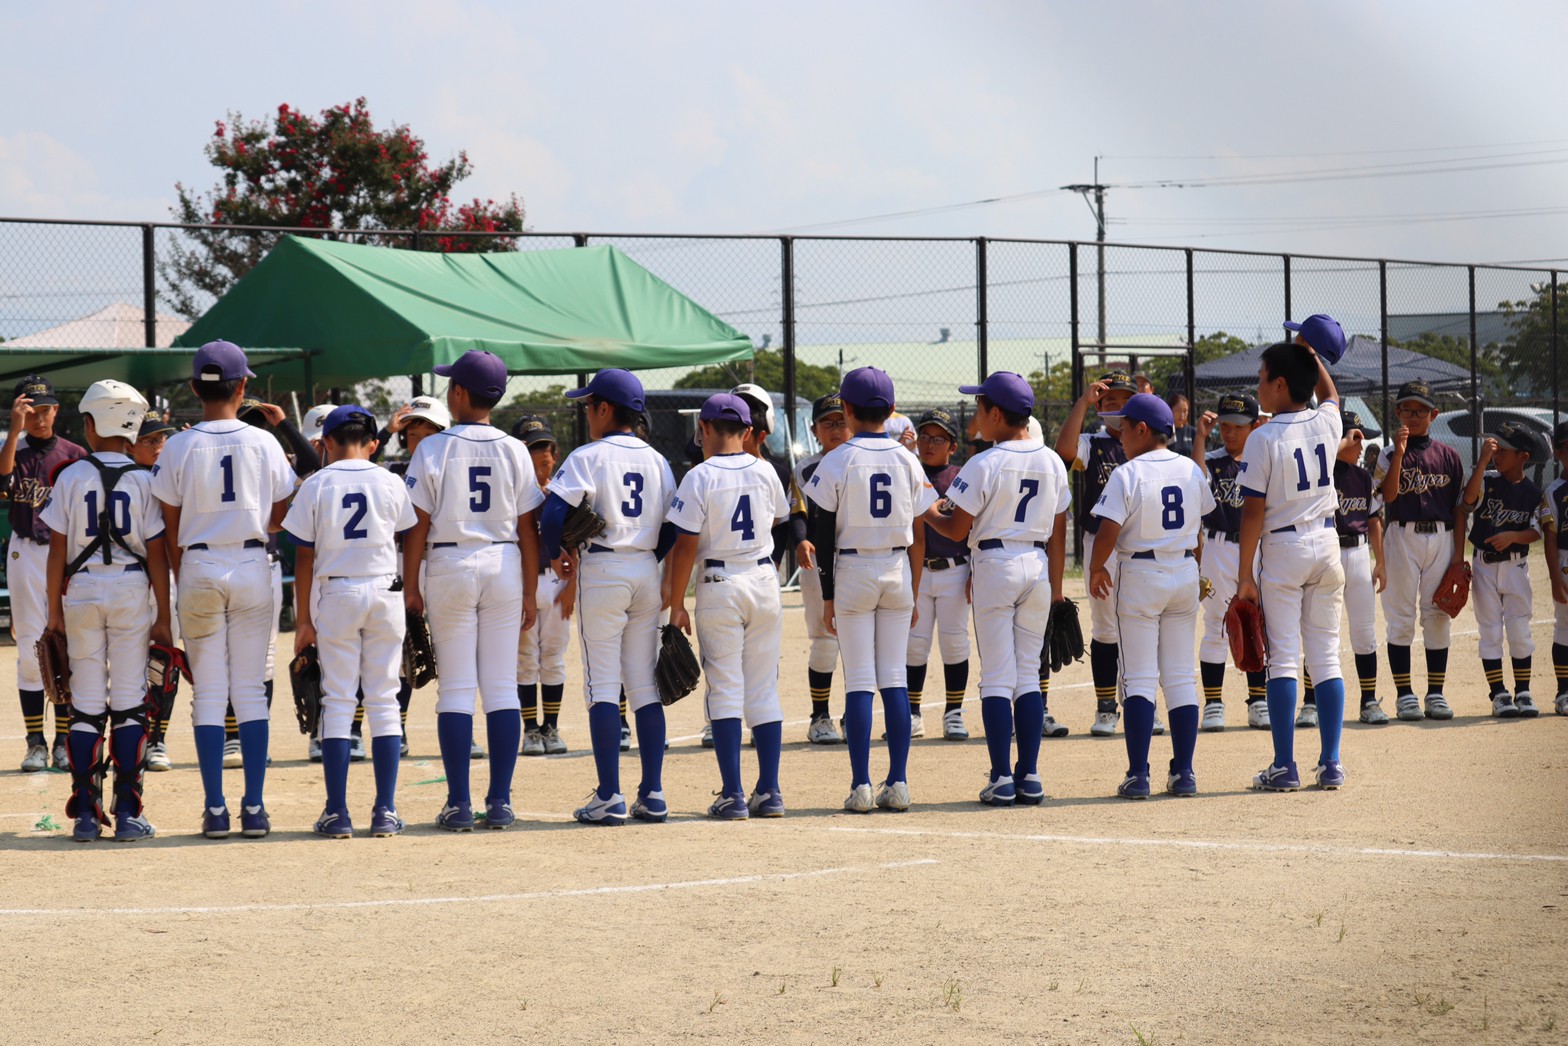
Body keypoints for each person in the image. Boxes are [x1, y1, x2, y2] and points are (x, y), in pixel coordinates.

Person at [151, 341, 296, 838]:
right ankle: (253, 807)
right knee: (251, 692)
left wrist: (181, 575)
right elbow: (282, 513)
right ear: (243, 387)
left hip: (198, 563)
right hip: (253, 558)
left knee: (209, 693)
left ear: (195, 388)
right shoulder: (263, 442)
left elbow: (168, 524)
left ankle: (214, 809)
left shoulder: (178, 444)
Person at [403, 350, 543, 831]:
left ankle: (460, 803)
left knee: (458, 688)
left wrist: (411, 585)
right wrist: (529, 590)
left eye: (450, 385)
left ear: (460, 393)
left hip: (450, 562)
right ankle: (500, 801)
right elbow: (529, 529)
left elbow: (416, 525)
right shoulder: (513, 448)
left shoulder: (434, 448)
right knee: (501, 685)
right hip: (503, 561)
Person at [921, 374, 1067, 805]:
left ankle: (1002, 776)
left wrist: (925, 509)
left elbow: (954, 527)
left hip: (996, 565)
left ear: (998, 414)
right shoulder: (1053, 461)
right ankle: (1031, 775)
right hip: (1037, 565)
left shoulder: (984, 463)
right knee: (1027, 675)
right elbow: (1059, 533)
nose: (977, 415)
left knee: (998, 678)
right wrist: (1056, 590)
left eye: (981, 407)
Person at [541, 369, 676, 826]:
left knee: (603, 683)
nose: (586, 412)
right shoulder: (659, 460)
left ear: (604, 408)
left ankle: (609, 796)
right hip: (645, 568)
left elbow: (553, 514)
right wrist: (648, 558)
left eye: (588, 404)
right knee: (643, 684)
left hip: (602, 568)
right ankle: (653, 793)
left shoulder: (587, 456)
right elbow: (674, 526)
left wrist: (554, 553)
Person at [42, 381, 172, 841]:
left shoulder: (71, 476)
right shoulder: (144, 479)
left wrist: (53, 610)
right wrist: (163, 615)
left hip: (81, 592)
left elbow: (57, 549)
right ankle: (129, 813)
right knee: (132, 701)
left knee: (86, 702)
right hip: (132, 591)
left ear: (94, 425)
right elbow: (157, 554)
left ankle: (84, 814)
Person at [803, 366, 935, 813]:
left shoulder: (838, 458)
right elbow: (922, 525)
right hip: (898, 568)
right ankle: (897, 782)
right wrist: (914, 589)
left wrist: (826, 595)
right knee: (894, 679)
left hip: (854, 569)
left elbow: (820, 532)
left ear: (848, 409)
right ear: (891, 410)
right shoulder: (906, 457)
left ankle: (861, 785)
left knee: (859, 681)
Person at [284, 405, 417, 838]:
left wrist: (303, 619)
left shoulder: (316, 484)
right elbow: (404, 531)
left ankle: (338, 812)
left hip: (337, 592)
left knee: (338, 701)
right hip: (384, 590)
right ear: (374, 444)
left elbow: (304, 558)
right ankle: (385, 811)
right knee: (383, 699)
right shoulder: (391, 481)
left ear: (325, 444)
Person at [663, 393, 792, 818]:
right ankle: (770, 791)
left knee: (725, 689)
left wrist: (677, 602)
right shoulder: (766, 470)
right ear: (746, 431)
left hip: (720, 582)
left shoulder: (700, 476)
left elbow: (684, 546)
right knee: (762, 689)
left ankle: (733, 794)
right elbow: (776, 518)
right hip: (763, 577)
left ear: (703, 429)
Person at [1235, 341, 1347, 791]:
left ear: (1281, 385)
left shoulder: (1262, 437)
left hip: (1283, 548)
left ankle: (1284, 766)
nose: (1258, 385)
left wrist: (1245, 575)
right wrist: (1313, 357)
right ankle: (1331, 763)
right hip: (1327, 542)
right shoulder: (1327, 419)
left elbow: (1253, 511)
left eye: (1263, 378)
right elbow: (1332, 396)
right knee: (1326, 657)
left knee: (1283, 659)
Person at [1089, 393, 1213, 797]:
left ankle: (1138, 774)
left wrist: (1094, 568)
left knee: (1139, 677)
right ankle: (1185, 773)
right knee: (1179, 676)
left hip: (1141, 572)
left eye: (1124, 428)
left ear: (1143, 430)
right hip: (1183, 570)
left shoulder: (1128, 473)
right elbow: (1199, 529)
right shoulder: (1192, 470)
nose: (1120, 435)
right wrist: (1194, 567)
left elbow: (1107, 530)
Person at [1056, 371, 1163, 737]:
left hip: (1141, 546)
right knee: (1105, 628)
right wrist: (1082, 403)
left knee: (1143, 626)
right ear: (1100, 406)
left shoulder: (1149, 446)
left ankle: (1144, 702)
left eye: (1125, 400)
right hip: (1098, 543)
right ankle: (1106, 708)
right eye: (1109, 400)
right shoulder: (1093, 442)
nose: (1118, 406)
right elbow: (1065, 453)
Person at [2, 373, 87, 771]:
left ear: (56, 410)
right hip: (25, 553)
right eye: (31, 411)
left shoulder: (74, 454)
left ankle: (64, 741)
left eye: (45, 409)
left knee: (68, 646)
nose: (39, 417)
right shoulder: (13, 452)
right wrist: (13, 431)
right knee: (29, 650)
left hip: (65, 555)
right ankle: (35, 741)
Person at [1373, 380, 1465, 721]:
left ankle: (1436, 694)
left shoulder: (1449, 456)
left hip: (1442, 537)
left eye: (1421, 410)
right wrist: (1399, 452)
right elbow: (1391, 496)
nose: (1414, 416)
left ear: (1434, 414)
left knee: (1437, 614)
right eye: (1408, 409)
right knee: (1400, 618)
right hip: (1401, 535)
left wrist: (1458, 555)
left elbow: (1459, 509)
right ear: (1397, 412)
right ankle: (1404, 695)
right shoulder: (1386, 453)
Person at [378, 394, 457, 757]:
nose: (416, 442)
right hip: (400, 563)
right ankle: (400, 726)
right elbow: (353, 463)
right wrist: (385, 430)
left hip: (442, 564)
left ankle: (460, 727)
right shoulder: (392, 471)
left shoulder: (452, 468)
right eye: (409, 435)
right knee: (403, 649)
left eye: (424, 434)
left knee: (451, 647)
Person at [1298, 411, 1389, 725]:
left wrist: (1382, 563)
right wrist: (1338, 441)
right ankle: (1310, 702)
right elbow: (1314, 463)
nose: (1362, 444)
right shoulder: (1321, 471)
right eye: (1357, 437)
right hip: (1328, 553)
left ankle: (1368, 701)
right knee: (1321, 631)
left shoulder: (1363, 477)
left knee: (1364, 631)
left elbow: (1374, 521)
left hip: (1360, 553)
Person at [1191, 394, 1270, 732]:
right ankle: (1213, 704)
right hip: (1219, 547)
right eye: (1224, 425)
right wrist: (1199, 438)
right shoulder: (1212, 459)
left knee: (1256, 624)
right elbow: (1196, 482)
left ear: (1255, 426)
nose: (1228, 432)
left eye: (1237, 426)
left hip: (1256, 549)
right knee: (1214, 625)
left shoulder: (1264, 458)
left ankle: (1258, 701)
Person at [1458, 423, 1547, 718]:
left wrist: (1512, 536)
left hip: (1516, 566)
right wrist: (1482, 464)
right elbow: (1468, 500)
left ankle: (1523, 691)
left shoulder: (1534, 493)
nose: (1498, 454)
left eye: (1504, 451)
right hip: (1484, 566)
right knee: (1490, 631)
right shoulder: (1487, 480)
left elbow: (1536, 532)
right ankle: (1498, 694)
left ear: (1524, 456)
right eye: (1497, 448)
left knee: (1520, 628)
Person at [905, 408, 972, 742]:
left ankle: (954, 712)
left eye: (939, 438)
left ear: (952, 445)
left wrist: (974, 568)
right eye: (925, 436)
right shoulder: (907, 470)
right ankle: (913, 713)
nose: (929, 444)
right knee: (914, 644)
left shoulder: (960, 476)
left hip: (954, 569)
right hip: (916, 570)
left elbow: (973, 524)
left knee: (954, 641)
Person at [513, 414, 573, 757]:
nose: (541, 456)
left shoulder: (562, 491)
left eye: (545, 448)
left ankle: (551, 727)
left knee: (554, 655)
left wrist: (572, 586)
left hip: (555, 583)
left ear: (555, 452)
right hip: (525, 582)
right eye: (533, 449)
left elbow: (574, 543)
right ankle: (530, 730)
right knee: (525, 658)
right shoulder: (511, 494)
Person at [790, 393, 848, 745]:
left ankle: (855, 716)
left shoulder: (864, 460)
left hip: (858, 558)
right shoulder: (805, 468)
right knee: (825, 639)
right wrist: (800, 540)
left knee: (862, 641)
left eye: (842, 420)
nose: (836, 428)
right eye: (828, 422)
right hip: (818, 562)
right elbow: (796, 512)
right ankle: (820, 716)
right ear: (814, 430)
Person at [131, 411, 180, 773]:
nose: (158, 446)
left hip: (169, 579)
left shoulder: (175, 475)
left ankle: (158, 739)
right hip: (132, 579)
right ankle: (135, 737)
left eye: (162, 439)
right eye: (149, 440)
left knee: (164, 661)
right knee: (130, 665)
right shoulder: (126, 480)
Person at [1540, 421, 1568, 717]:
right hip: (1566, 559)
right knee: (1564, 627)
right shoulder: (1555, 492)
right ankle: (1564, 691)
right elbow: (1550, 536)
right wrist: (1555, 578)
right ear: (1559, 452)